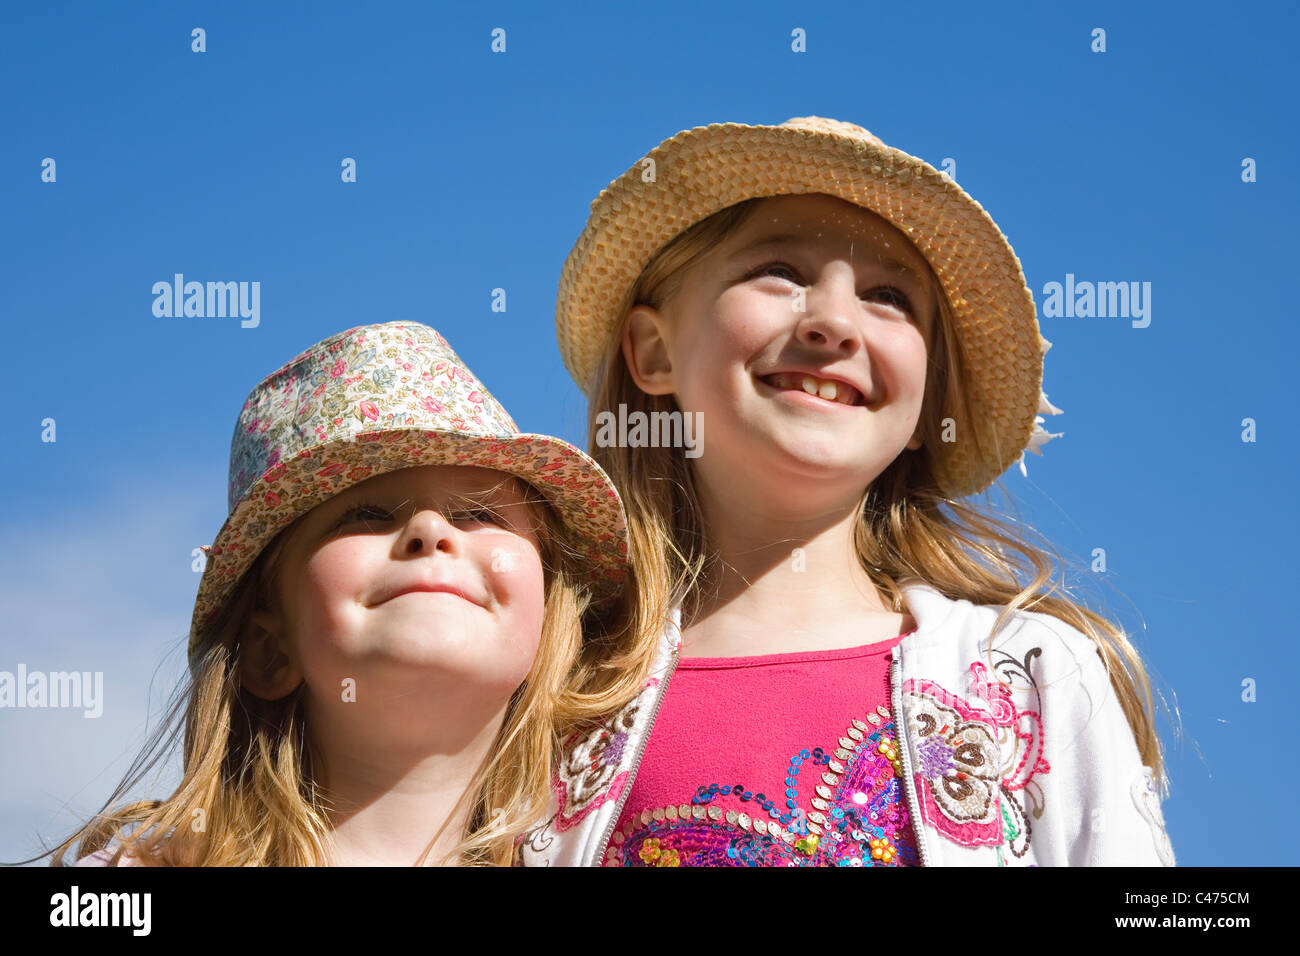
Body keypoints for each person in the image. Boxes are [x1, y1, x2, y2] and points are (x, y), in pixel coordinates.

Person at [520, 116, 1176, 866]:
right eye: (781, 273)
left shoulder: (1034, 675)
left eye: (889, 295)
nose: (833, 321)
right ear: (654, 351)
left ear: (930, 405)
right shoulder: (550, 697)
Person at [39, 321, 628, 866]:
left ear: (552, 615)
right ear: (271, 649)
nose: (429, 531)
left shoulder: (634, 842)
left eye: (477, 513)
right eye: (367, 515)